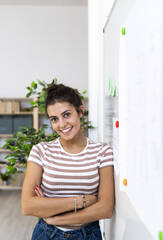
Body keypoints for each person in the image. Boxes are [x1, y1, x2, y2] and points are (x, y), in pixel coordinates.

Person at [21, 83, 115, 240]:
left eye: (66, 115)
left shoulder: (102, 152)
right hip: (47, 234)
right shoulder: (41, 151)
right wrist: (81, 201)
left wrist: (55, 218)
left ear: (80, 111)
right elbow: (27, 205)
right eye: (54, 119)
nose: (62, 124)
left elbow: (105, 208)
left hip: (88, 234)